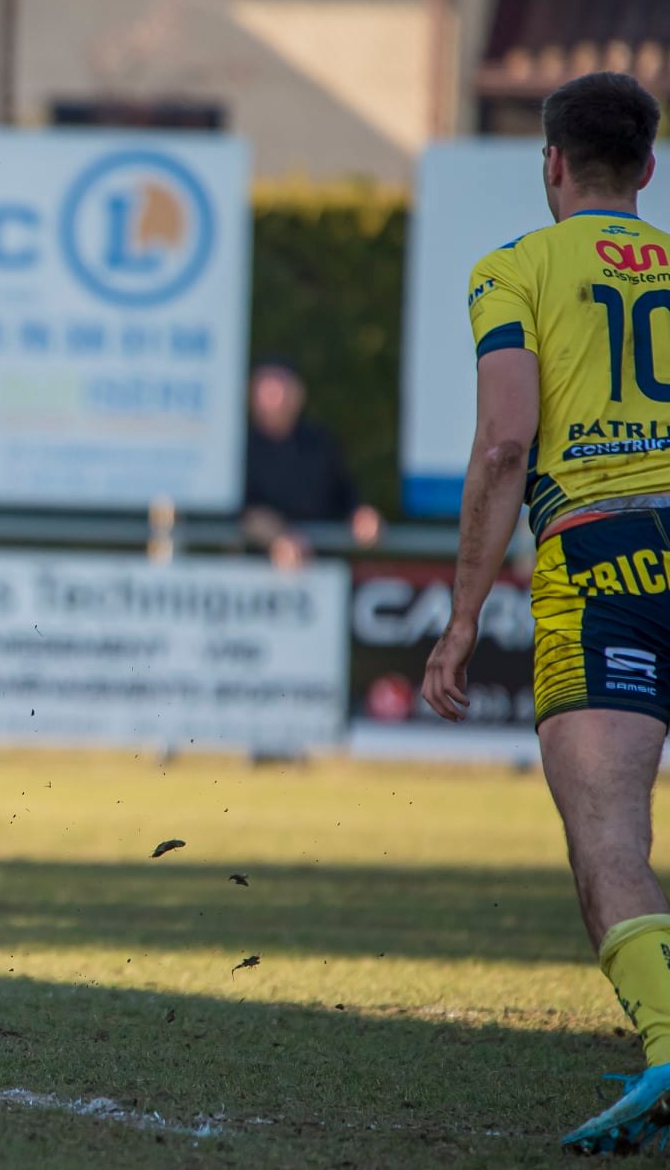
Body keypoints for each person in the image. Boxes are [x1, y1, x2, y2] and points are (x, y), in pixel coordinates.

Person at [422, 71, 670, 1155]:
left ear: (553, 166)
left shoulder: (513, 268)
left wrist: (465, 613)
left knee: (609, 830)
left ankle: (669, 1042)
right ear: (649, 171)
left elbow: (505, 443)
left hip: (599, 555)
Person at [242, 359, 381, 568]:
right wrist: (277, 539)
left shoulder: (319, 443)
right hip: (252, 573)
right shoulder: (239, 447)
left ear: (298, 394)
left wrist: (363, 517)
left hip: (320, 571)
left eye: (279, 387)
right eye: (264, 387)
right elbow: (243, 512)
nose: (272, 397)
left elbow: (346, 496)